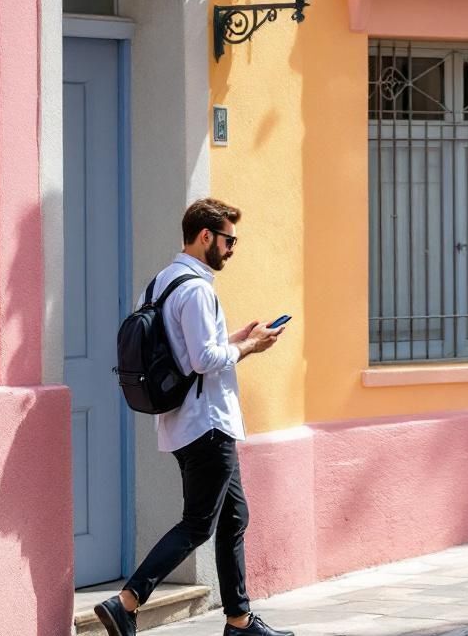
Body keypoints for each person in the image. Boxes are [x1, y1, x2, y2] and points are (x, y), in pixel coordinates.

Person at [95, 198, 293, 636]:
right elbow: (204, 359)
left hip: (184, 421)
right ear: (206, 236)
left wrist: (234, 336)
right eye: (229, 240)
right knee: (199, 523)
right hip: (207, 423)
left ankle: (239, 620)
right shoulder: (199, 288)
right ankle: (126, 601)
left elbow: (187, 348)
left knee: (233, 517)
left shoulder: (162, 282)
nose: (232, 249)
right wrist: (249, 347)